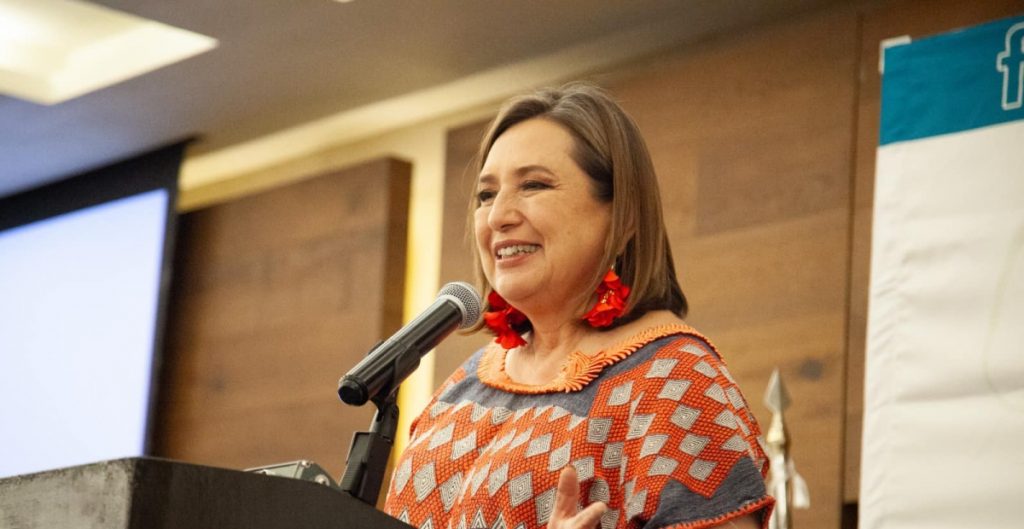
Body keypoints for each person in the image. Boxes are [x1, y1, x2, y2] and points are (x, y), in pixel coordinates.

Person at [384, 83, 773, 529]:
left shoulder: (676, 380)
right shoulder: (462, 386)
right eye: (486, 195)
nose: (498, 216)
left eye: (533, 185)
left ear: (623, 217)